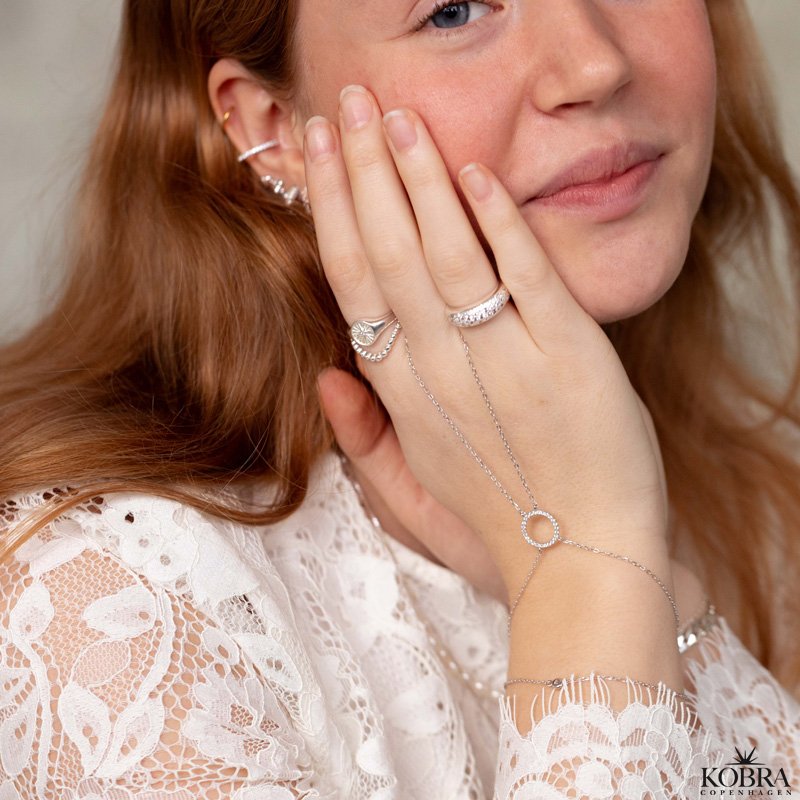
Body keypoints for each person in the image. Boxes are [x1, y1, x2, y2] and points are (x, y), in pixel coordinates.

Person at [1, 0, 799, 797]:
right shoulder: (97, 607)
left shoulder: (751, 502)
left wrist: (662, 595)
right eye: (453, 11)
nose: (596, 65)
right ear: (271, 124)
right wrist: (584, 566)